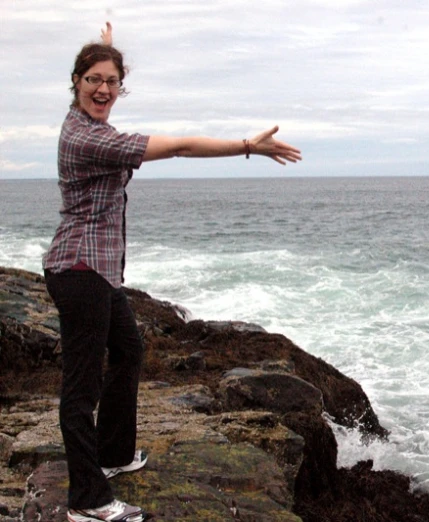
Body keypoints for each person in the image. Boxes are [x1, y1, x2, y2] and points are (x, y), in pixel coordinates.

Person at [43, 22, 302, 522]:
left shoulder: (92, 126)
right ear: (75, 82)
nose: (103, 89)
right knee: (80, 389)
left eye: (112, 81)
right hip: (79, 270)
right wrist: (248, 145)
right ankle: (88, 501)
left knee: (130, 349)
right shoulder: (91, 141)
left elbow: (105, 79)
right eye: (93, 79)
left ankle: (114, 454)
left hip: (98, 270)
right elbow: (180, 146)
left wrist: (108, 45)